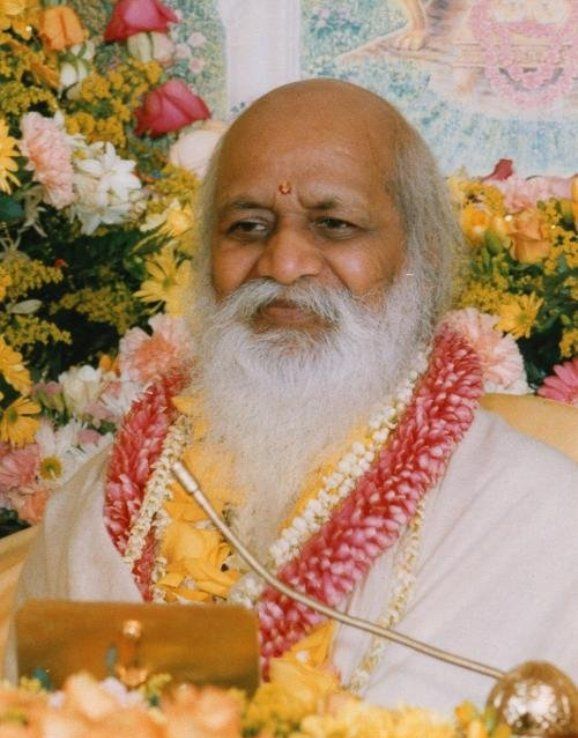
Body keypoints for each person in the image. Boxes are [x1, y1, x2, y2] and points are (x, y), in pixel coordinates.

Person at [11, 79, 578, 711]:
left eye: (334, 225)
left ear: (423, 256)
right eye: (247, 226)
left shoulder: (536, 516)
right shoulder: (99, 505)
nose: (283, 264)